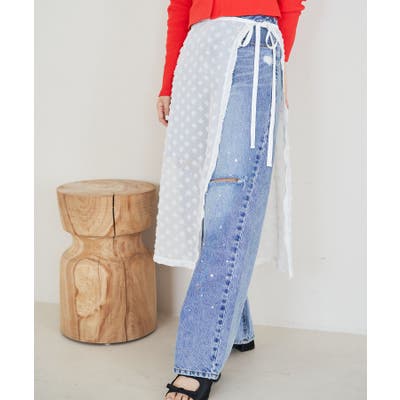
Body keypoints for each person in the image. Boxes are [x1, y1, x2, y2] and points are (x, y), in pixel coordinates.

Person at [155, 1, 306, 399]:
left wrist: (277, 65)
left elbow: (291, 6)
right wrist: (169, 81)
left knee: (230, 196)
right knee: (203, 199)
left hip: (250, 46)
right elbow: (179, 6)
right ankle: (235, 327)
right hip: (197, 50)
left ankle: (197, 360)